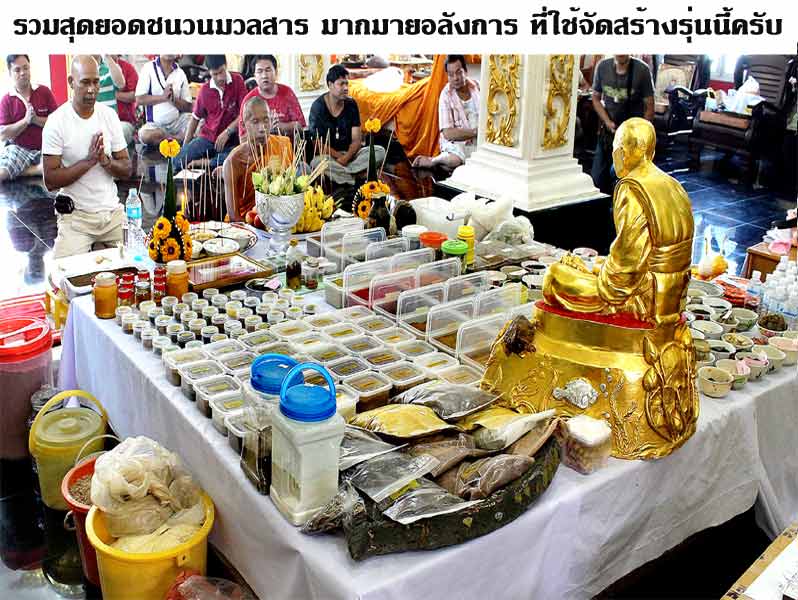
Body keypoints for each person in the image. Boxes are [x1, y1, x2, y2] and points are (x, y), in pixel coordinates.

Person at [543, 118, 693, 326]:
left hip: (645, 300)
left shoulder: (632, 188)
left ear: (620, 153)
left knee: (554, 276)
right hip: (674, 296)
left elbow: (627, 266)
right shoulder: (674, 185)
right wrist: (597, 267)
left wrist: (597, 276)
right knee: (593, 265)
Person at [42, 55, 131, 258]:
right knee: (61, 273)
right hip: (76, 219)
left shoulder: (108, 115)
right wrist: (88, 162)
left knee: (144, 262)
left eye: (96, 82)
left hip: (112, 215)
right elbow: (50, 180)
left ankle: (100, 247)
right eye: (85, 82)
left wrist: (106, 161)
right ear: (71, 82)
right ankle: (97, 247)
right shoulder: (56, 122)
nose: (91, 89)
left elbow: (126, 169)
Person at [309, 64, 385, 186]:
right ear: (330, 85)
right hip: (331, 157)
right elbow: (317, 144)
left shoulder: (351, 104)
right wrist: (339, 157)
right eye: (341, 84)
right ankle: (356, 178)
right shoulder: (318, 107)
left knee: (379, 151)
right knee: (316, 163)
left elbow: (357, 140)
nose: (345, 88)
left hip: (352, 156)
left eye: (346, 84)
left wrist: (347, 157)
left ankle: (344, 175)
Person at [591, 54, 655, 194]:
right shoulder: (602, 67)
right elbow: (595, 98)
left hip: (630, 138)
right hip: (608, 134)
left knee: (622, 180)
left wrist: (641, 135)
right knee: (597, 180)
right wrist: (607, 122)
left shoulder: (642, 70)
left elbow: (650, 107)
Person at [223, 96, 293, 222]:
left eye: (266, 120)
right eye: (255, 122)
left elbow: (291, 194)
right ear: (243, 125)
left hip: (280, 220)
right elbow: (234, 217)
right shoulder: (233, 162)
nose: (262, 128)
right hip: (247, 223)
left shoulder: (283, 145)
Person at [172, 55, 246, 173]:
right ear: (209, 72)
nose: (220, 77)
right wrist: (185, 147)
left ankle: (204, 162)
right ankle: (212, 161)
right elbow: (195, 119)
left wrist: (228, 131)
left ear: (226, 65)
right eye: (215, 74)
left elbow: (244, 112)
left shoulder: (237, 81)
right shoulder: (205, 90)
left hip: (231, 140)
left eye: (222, 71)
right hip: (208, 138)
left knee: (234, 159)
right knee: (177, 161)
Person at [412, 55, 479, 170]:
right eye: (451, 75)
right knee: (455, 160)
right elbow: (447, 133)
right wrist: (475, 132)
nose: (455, 78)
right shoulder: (446, 95)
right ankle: (434, 160)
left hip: (477, 140)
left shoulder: (477, 87)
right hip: (457, 142)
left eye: (459, 72)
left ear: (466, 71)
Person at [0, 55, 58, 181]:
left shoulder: (44, 91)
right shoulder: (6, 100)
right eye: (17, 70)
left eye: (26, 68)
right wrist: (25, 121)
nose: (23, 73)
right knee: (3, 172)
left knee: (66, 162)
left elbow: (57, 123)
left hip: (45, 148)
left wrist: (35, 119)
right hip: (19, 150)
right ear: (10, 73)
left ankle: (27, 170)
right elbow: (3, 134)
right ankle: (37, 170)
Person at [237, 55, 305, 141]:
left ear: (276, 72)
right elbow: (242, 138)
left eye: (268, 70)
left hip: (287, 147)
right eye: (259, 71)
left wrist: (282, 127)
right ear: (254, 75)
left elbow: (301, 126)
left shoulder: (287, 93)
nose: (264, 75)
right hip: (260, 149)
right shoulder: (249, 99)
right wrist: (265, 129)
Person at [135, 55, 193, 146]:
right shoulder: (148, 68)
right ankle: (178, 139)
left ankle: (170, 139)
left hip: (177, 122)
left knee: (200, 122)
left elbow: (189, 107)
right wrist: (163, 97)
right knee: (145, 135)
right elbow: (139, 99)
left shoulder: (180, 73)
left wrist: (173, 100)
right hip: (155, 126)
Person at [110, 55, 139, 145]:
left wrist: (111, 94)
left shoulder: (128, 68)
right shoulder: (96, 69)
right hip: (99, 121)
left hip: (123, 122)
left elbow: (136, 96)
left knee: (119, 132)